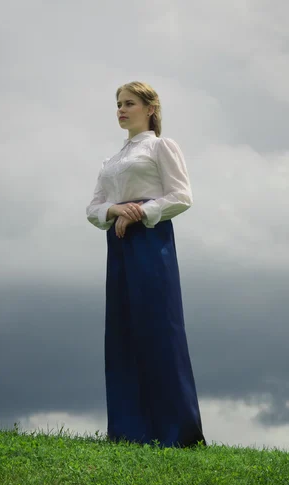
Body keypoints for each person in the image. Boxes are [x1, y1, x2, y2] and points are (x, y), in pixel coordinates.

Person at [86, 81, 206, 448]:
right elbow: (93, 208)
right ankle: (128, 431)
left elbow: (181, 195)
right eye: (119, 104)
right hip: (119, 244)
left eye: (130, 103)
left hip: (152, 242)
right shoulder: (111, 160)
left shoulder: (161, 147)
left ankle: (178, 433)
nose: (121, 110)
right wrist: (114, 210)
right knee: (122, 332)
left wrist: (140, 212)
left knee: (159, 329)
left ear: (150, 108)